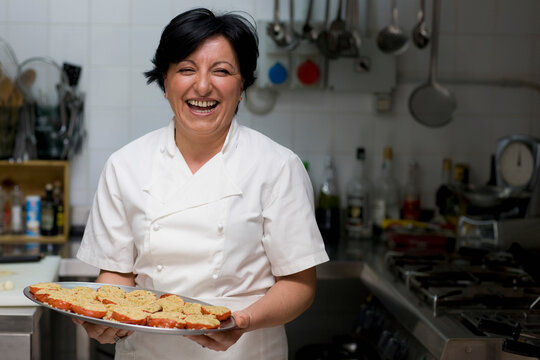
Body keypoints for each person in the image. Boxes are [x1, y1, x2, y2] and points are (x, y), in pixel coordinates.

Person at [74, 7, 329, 359]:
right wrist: (105, 313)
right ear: (165, 82)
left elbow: (299, 284)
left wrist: (243, 320)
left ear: (242, 87)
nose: (203, 86)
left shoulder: (277, 166)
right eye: (186, 69)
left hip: (244, 352)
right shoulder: (125, 165)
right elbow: (116, 273)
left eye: (222, 71)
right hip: (149, 353)